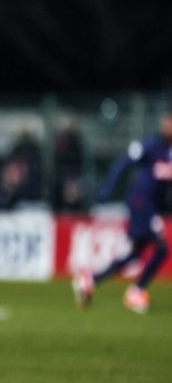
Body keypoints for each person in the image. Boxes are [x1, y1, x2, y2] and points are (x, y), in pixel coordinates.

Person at [73, 113, 172, 314]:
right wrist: (107, 189)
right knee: (162, 248)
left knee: (135, 253)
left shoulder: (169, 152)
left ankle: (89, 280)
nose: (167, 126)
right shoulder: (151, 145)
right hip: (141, 202)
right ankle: (136, 291)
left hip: (151, 205)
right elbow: (122, 163)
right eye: (166, 122)